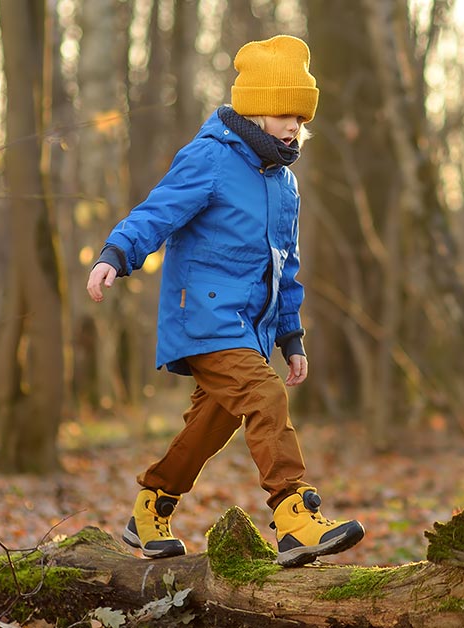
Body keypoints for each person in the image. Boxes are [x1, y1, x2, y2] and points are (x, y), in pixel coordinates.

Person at [85, 34, 363, 567]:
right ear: (255, 110)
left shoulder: (285, 184)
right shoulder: (211, 157)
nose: (292, 126)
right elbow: (157, 211)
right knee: (263, 395)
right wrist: (116, 254)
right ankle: (293, 514)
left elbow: (286, 266)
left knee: (211, 424)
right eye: (282, 114)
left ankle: (151, 506)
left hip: (250, 328)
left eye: (300, 117)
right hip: (203, 316)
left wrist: (291, 335)